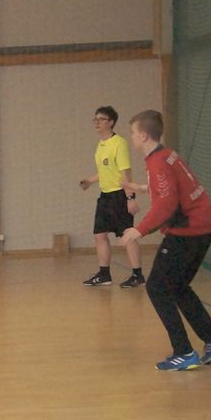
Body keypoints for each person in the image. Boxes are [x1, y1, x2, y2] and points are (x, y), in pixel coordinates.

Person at [121, 110, 211, 371]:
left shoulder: (157, 162)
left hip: (188, 231)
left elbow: (167, 204)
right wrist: (143, 188)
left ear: (143, 135)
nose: (131, 137)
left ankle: (184, 352)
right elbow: (174, 186)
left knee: (157, 287)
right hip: (204, 226)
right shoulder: (166, 155)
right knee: (177, 285)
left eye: (133, 133)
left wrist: (139, 230)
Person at [79, 106, 144, 288]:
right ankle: (104, 274)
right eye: (95, 119)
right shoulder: (101, 145)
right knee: (99, 235)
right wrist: (90, 181)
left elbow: (125, 173)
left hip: (120, 195)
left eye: (101, 119)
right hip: (105, 195)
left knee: (128, 235)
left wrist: (130, 198)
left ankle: (137, 275)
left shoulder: (119, 143)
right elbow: (105, 171)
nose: (97, 122)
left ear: (111, 122)